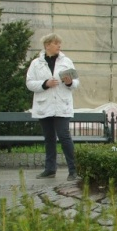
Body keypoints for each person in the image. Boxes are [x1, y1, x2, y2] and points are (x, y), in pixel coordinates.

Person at [26, 33, 79, 181]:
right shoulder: (36, 63)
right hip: (45, 105)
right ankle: (50, 169)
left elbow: (76, 83)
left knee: (64, 136)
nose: (59, 46)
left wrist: (69, 82)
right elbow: (29, 83)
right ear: (47, 45)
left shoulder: (66, 61)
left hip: (62, 104)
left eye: (59, 43)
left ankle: (73, 170)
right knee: (49, 138)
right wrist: (45, 84)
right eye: (56, 43)